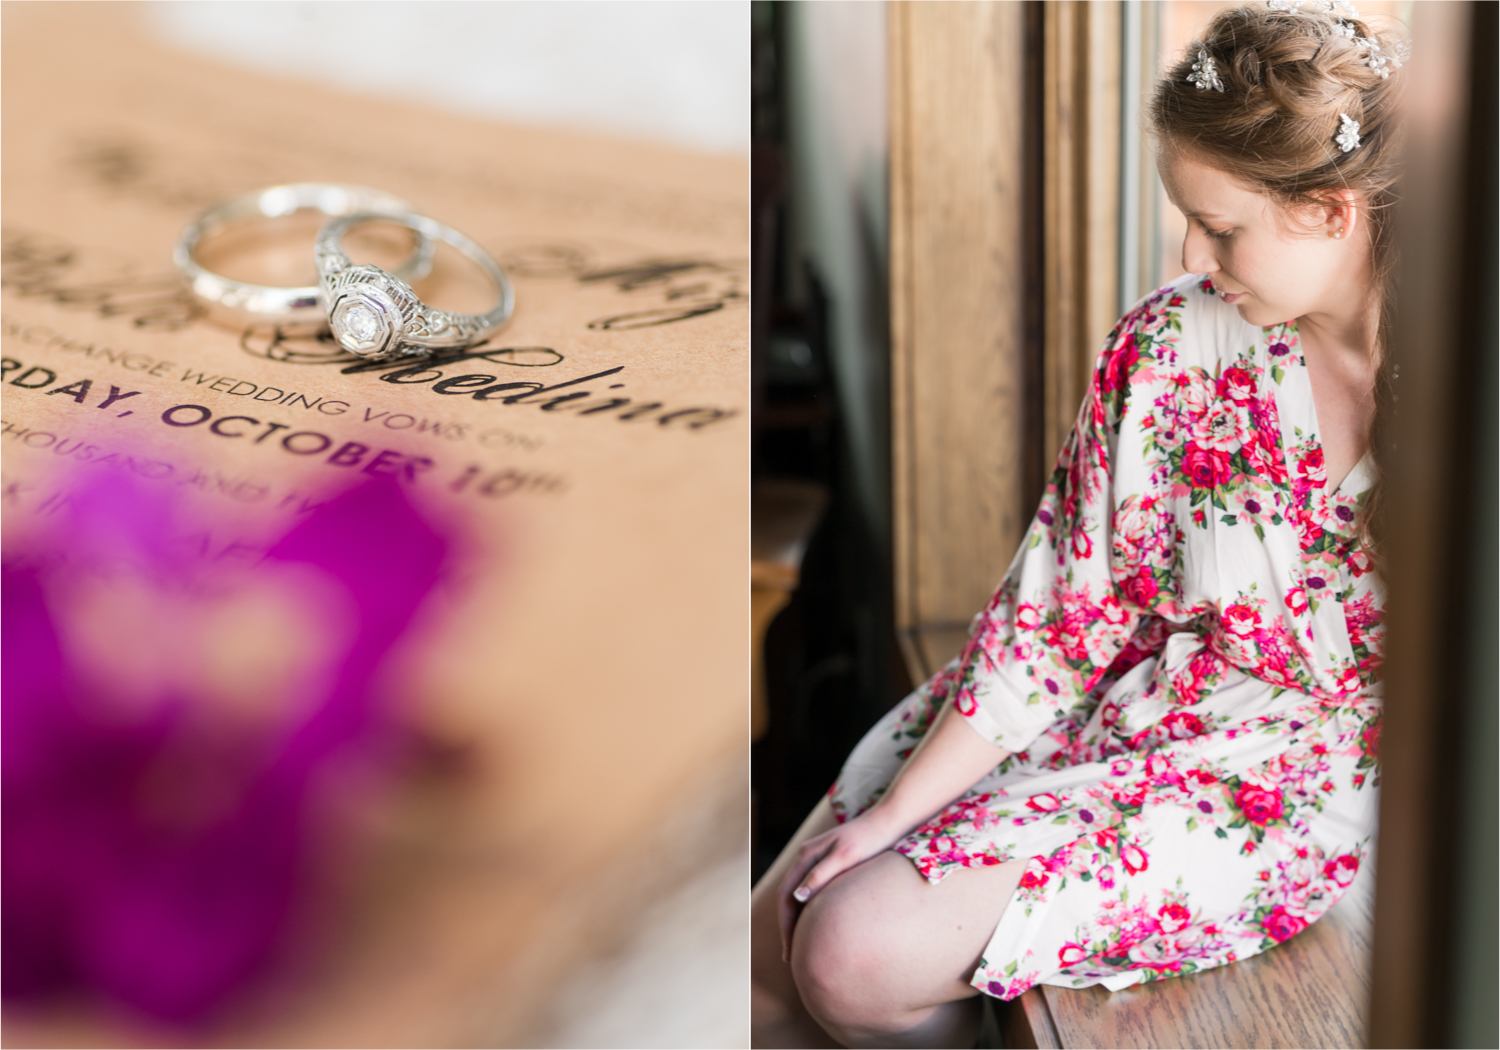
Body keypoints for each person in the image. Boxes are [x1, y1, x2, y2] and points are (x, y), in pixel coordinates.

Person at [751, 4, 1405, 1046]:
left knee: (845, 953)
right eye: (1186, 219)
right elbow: (1059, 618)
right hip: (1107, 690)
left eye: (1221, 228)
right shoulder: (1176, 340)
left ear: (1331, 212)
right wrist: (892, 814)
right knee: (764, 945)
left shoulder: (1465, 399)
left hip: (1277, 783)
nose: (1192, 252)